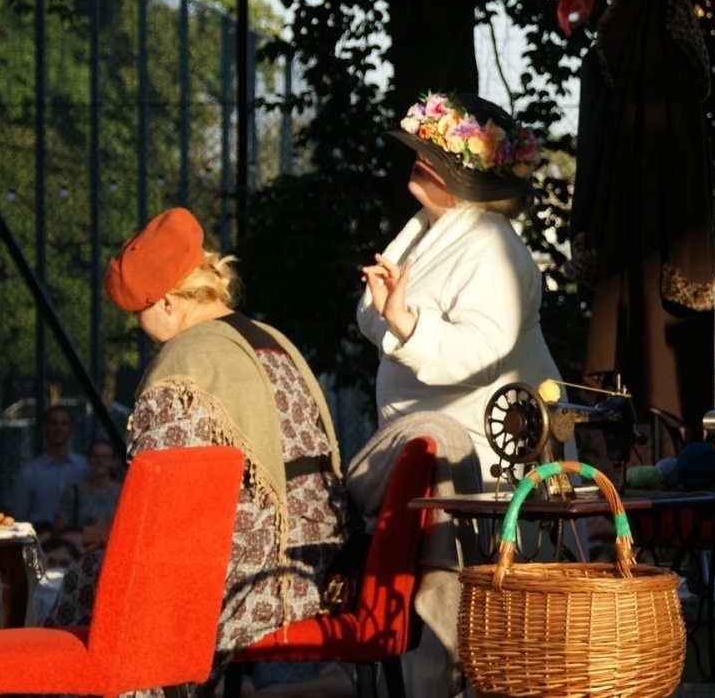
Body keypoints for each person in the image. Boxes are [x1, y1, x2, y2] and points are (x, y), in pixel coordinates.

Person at [45, 207, 349, 697]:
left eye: (138, 314)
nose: (141, 330)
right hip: (319, 558)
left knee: (88, 580)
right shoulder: (272, 341)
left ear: (166, 302)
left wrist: (119, 536)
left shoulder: (186, 362)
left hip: (248, 571)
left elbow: (164, 504)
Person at [359, 91, 564, 481]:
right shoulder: (425, 232)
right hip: (432, 460)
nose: (421, 159)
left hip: (486, 468)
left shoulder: (491, 243)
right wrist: (390, 314)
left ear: (470, 176)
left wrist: (405, 322)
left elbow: (483, 353)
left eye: (437, 155)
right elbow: (385, 326)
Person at [5, 405, 89, 526]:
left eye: (64, 423)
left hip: (78, 538)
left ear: (72, 429)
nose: (58, 428)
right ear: (44, 428)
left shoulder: (85, 468)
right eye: (53, 423)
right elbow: (19, 517)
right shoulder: (28, 473)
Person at [53, 438, 121, 531]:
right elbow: (61, 530)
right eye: (95, 456)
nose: (99, 461)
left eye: (105, 457)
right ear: (88, 459)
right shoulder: (73, 492)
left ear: (113, 462)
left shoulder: (123, 492)